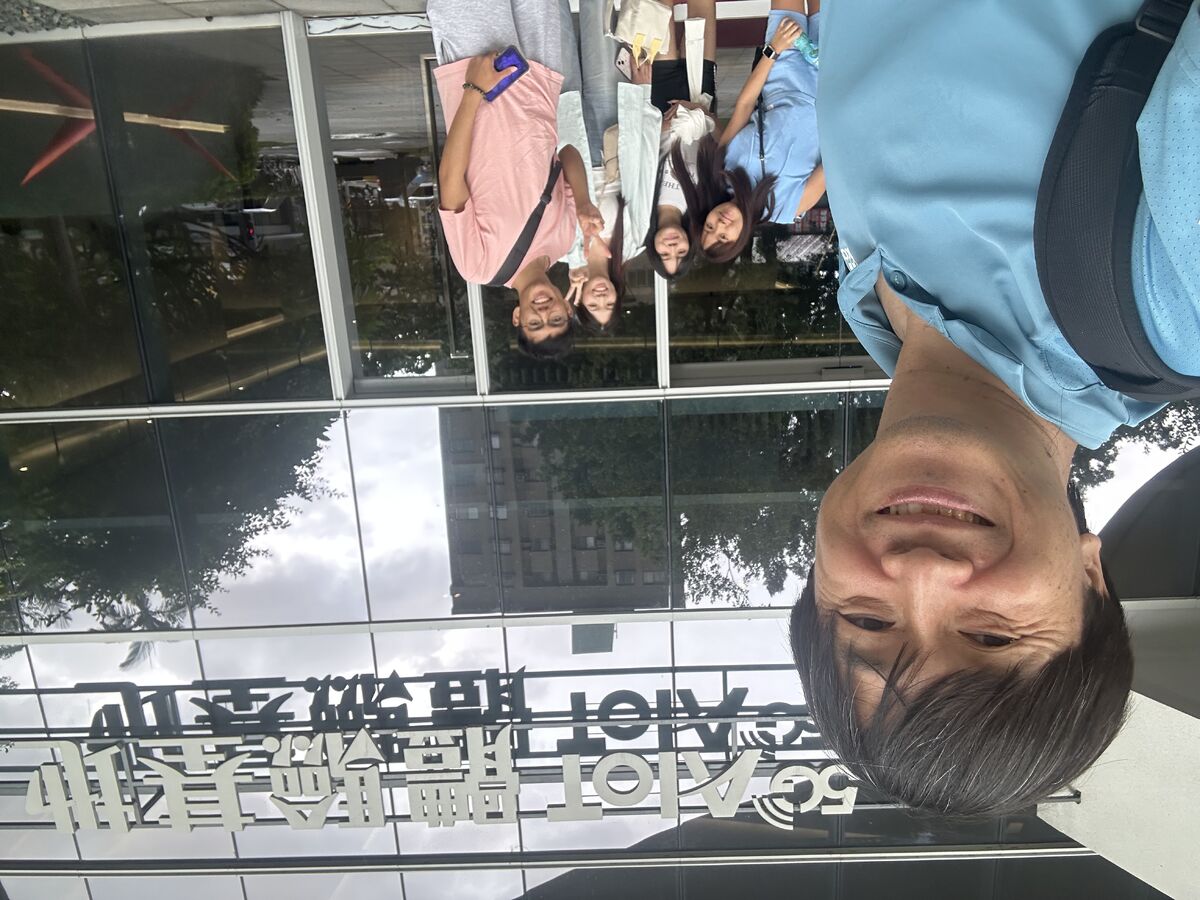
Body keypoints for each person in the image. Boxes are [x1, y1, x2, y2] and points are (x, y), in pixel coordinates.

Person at [793, 0, 1200, 816]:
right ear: (1091, 583)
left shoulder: (873, 281)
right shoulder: (1176, 297)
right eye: (990, 635)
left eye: (868, 621)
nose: (923, 574)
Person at [428, 0, 604, 359]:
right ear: (567, 308)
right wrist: (585, 203)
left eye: (535, 323)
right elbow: (568, 154)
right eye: (556, 319)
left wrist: (473, 90)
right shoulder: (562, 241)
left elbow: (450, 178)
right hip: (540, 75)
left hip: (482, 75)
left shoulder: (479, 267)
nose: (544, 312)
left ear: (517, 318)